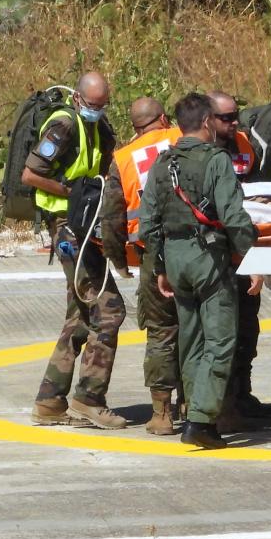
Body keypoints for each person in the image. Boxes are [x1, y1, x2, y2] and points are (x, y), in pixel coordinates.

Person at [139, 92, 258, 449]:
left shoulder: (162, 163)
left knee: (190, 341)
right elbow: (233, 216)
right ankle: (201, 421)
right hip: (207, 258)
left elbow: (148, 223)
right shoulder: (217, 160)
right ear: (207, 122)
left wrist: (161, 265)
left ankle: (194, 410)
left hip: (174, 258)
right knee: (220, 341)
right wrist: (251, 258)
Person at [25, 71, 128, 430]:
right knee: (109, 311)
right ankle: (89, 400)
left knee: (80, 316)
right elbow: (30, 174)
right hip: (67, 228)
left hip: (84, 225)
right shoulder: (64, 125)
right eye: (92, 105)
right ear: (77, 99)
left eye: (102, 105)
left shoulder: (97, 126)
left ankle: (50, 402)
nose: (97, 111)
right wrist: (71, 193)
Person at [100, 97, 182, 434]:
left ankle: (162, 414)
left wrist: (119, 260)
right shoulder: (183, 137)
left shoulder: (122, 160)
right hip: (197, 249)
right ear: (163, 118)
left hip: (153, 256)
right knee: (197, 329)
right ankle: (195, 405)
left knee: (161, 333)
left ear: (134, 126)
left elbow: (111, 219)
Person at [206, 90, 271, 427]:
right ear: (208, 119)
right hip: (212, 251)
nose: (235, 123)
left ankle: (241, 395)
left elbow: (257, 188)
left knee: (247, 326)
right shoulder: (195, 150)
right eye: (227, 118)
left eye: (237, 116)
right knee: (216, 332)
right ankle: (212, 404)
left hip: (243, 245)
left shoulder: (246, 144)